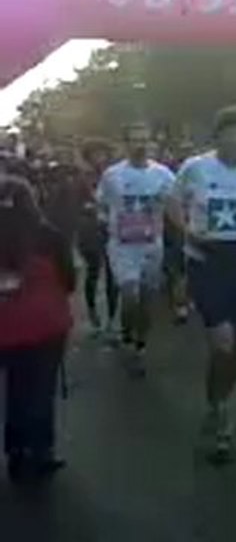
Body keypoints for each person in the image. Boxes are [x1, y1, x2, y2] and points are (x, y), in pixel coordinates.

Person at [169, 106, 236, 463]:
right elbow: (173, 203)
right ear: (218, 136)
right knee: (222, 342)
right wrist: (188, 231)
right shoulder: (196, 167)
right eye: (230, 133)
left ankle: (219, 395)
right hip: (206, 261)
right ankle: (220, 409)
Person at [0, 175, 75, 483]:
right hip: (45, 326)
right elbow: (69, 282)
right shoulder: (50, 236)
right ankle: (39, 452)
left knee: (15, 389)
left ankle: (15, 451)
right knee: (40, 391)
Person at [97, 122, 176, 377]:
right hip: (122, 247)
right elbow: (101, 204)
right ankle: (128, 336)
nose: (140, 145)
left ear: (152, 143)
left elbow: (175, 206)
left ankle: (140, 345)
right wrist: (107, 223)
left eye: (144, 140)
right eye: (134, 140)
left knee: (147, 301)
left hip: (152, 245)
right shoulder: (112, 175)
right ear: (126, 144)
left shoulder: (163, 175)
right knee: (130, 295)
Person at [77, 139, 119, 338]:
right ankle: (92, 310)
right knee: (93, 271)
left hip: (112, 228)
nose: (98, 157)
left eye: (101, 153)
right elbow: (75, 203)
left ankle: (112, 318)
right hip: (89, 230)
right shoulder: (81, 176)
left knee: (113, 273)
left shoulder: (114, 174)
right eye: (94, 153)